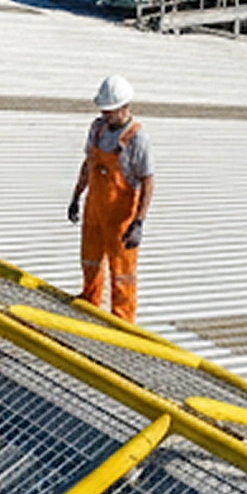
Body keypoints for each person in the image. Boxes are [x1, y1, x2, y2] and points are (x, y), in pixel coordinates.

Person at [67, 74, 155, 323]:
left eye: (110, 111)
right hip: (94, 210)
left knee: (122, 274)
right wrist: (76, 196)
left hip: (121, 220)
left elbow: (148, 181)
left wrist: (139, 222)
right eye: (103, 110)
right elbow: (88, 165)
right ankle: (90, 303)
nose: (105, 115)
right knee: (90, 260)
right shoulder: (97, 129)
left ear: (124, 107)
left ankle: (123, 320)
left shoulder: (137, 139)